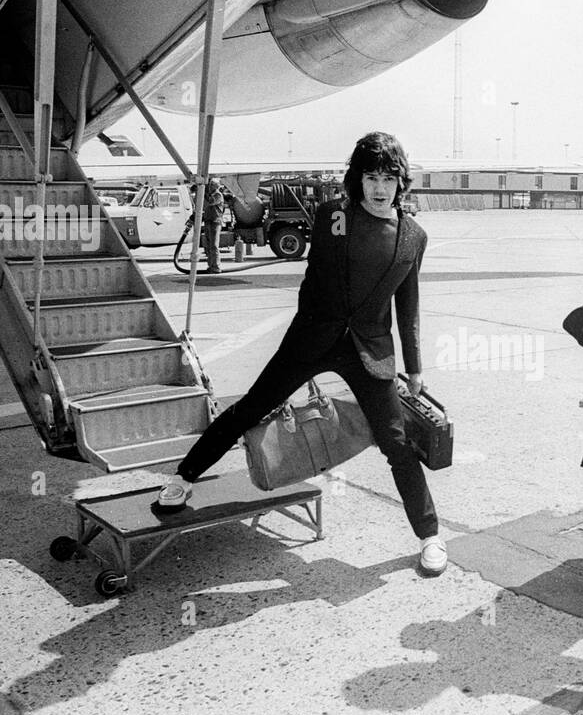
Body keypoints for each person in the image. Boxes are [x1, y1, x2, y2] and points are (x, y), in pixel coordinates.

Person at [157, 132, 446, 575]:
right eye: (371, 176)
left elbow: (408, 307)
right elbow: (321, 264)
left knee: (397, 443)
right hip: (312, 339)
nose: (380, 187)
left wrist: (417, 368)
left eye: (389, 177)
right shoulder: (334, 215)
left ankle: (430, 535)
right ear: (357, 179)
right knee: (250, 408)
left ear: (401, 181)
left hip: (368, 349)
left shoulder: (413, 236)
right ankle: (183, 477)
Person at [200, 178, 226, 274]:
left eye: (211, 185)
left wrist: (202, 191)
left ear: (216, 186)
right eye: (209, 185)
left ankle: (215, 266)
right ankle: (211, 265)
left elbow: (211, 201)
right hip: (208, 221)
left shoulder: (218, 195)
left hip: (215, 222)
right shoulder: (211, 195)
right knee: (208, 245)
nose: (210, 187)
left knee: (214, 246)